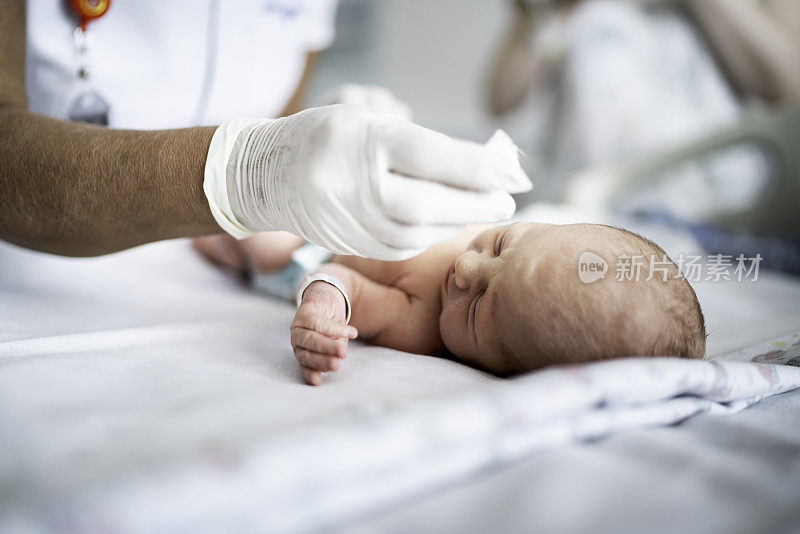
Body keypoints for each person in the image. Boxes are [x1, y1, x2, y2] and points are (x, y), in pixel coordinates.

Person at [0, 1, 531, 262]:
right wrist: (249, 173)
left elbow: (282, 114)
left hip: (219, 287)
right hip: (33, 272)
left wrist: (313, 139)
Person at [195, 133, 705, 385]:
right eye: (502, 246)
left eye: (481, 306)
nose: (466, 268)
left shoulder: (422, 326)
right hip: (352, 206)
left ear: (500, 368)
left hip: (311, 248)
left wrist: (323, 311)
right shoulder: (483, 228)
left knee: (263, 237)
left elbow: (345, 280)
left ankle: (220, 247)